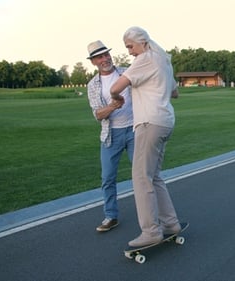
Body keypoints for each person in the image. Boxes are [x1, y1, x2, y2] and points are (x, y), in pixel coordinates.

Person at [110, 26, 180, 247]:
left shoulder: (145, 59)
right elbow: (175, 93)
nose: (130, 52)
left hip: (149, 122)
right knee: (154, 176)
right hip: (165, 121)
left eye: (130, 46)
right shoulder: (163, 61)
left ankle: (150, 231)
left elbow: (116, 86)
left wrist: (116, 98)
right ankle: (171, 224)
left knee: (141, 178)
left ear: (141, 42)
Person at [86, 40, 134, 232]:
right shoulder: (93, 85)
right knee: (107, 178)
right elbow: (98, 114)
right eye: (100, 56)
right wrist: (114, 105)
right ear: (93, 62)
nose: (105, 58)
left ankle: (152, 214)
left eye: (106, 54)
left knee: (141, 174)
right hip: (110, 135)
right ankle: (111, 216)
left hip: (135, 129)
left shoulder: (127, 72)